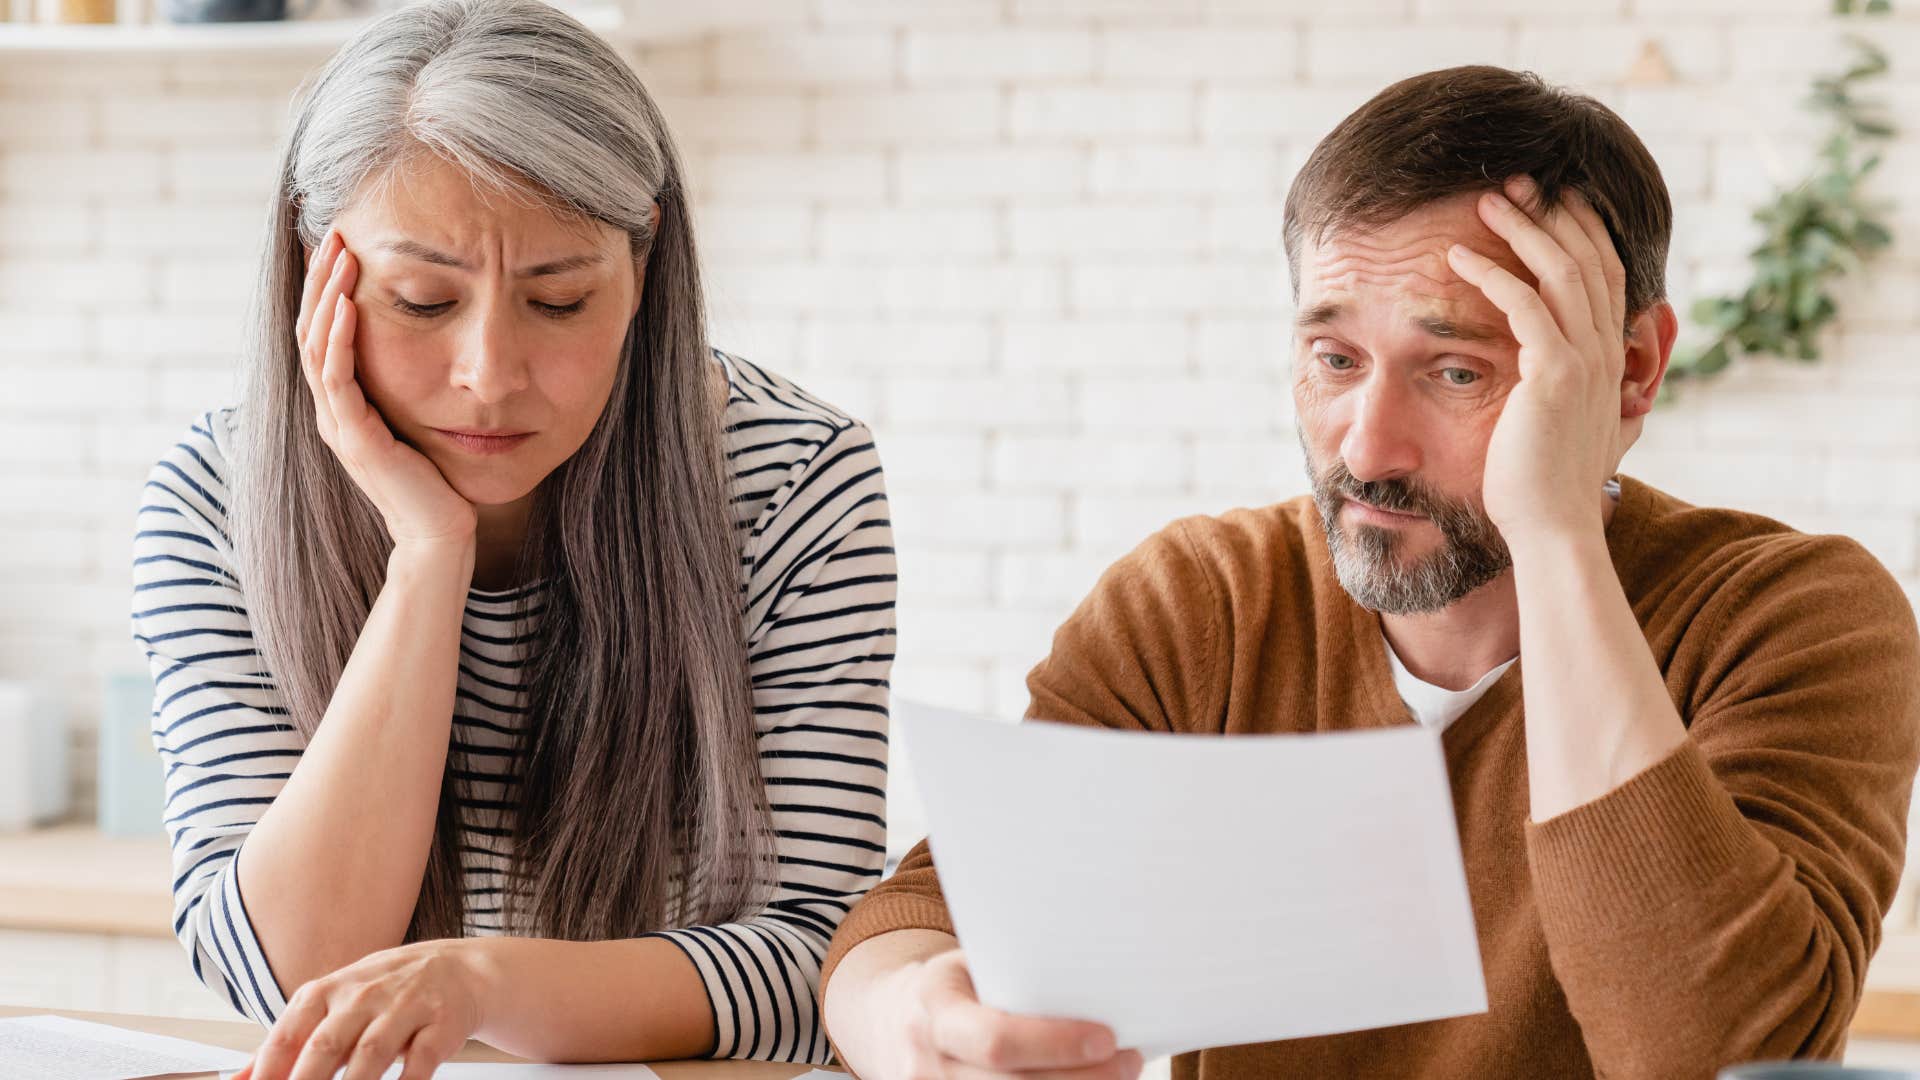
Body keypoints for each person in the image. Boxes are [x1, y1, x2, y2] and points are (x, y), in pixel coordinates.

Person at [817, 65, 1920, 1080]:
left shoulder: (1793, 617)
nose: (1364, 449)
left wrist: (1555, 540)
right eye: (1335, 360)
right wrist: (920, 1026)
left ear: (1627, 371)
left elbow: (1716, 1053)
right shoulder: (1206, 604)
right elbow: (921, 916)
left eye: (1455, 369)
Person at [126, 1, 895, 1075]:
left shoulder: (790, 482)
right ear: (318, 271)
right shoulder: (215, 497)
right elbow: (281, 967)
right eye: (423, 299)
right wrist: (427, 555)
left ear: (643, 270)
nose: (490, 373)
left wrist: (481, 981)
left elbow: (822, 967)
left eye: (562, 300)